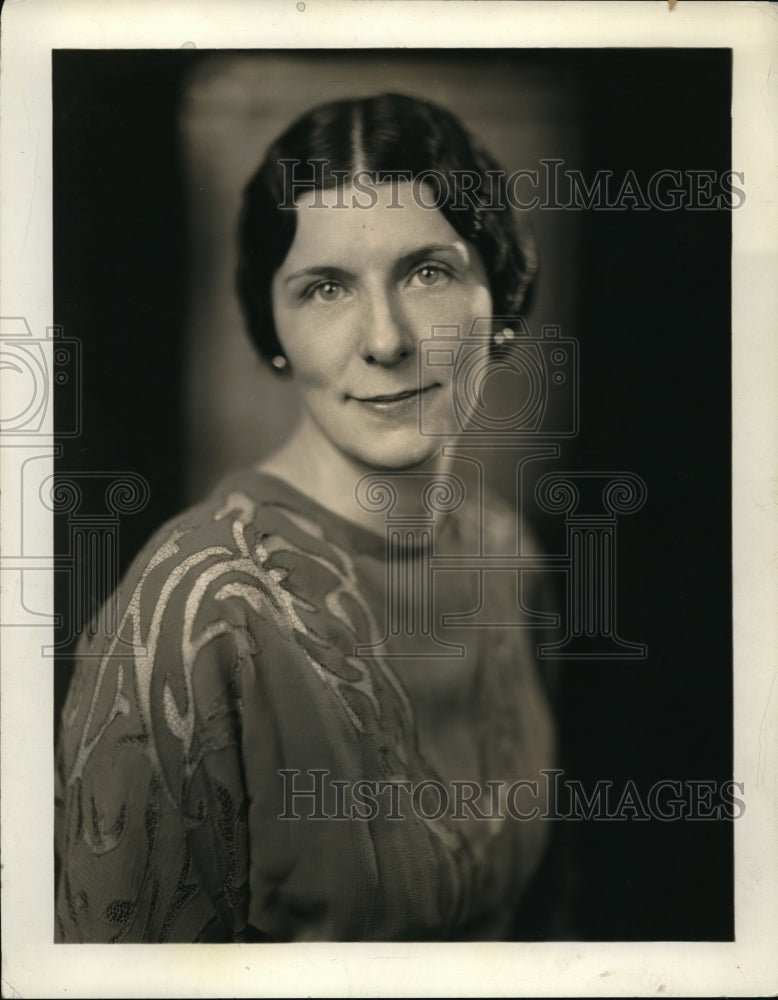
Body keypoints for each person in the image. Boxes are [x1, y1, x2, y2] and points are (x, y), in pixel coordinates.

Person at [55, 92, 556, 942]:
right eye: (325, 288)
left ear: (500, 295)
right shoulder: (196, 610)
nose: (387, 340)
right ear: (274, 330)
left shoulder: (502, 551)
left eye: (428, 272)